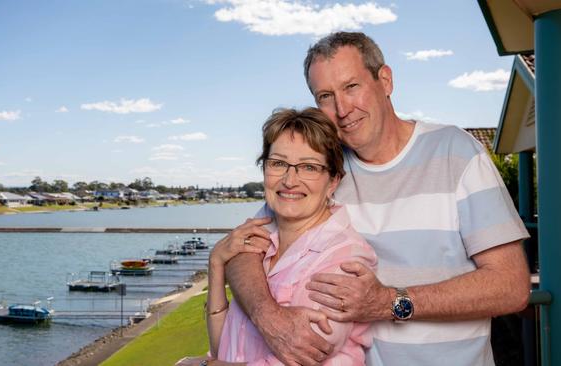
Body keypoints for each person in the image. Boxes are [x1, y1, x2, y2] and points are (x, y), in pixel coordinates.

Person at [224, 32, 531, 366]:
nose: (342, 109)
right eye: (326, 96)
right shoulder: (322, 170)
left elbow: (511, 286)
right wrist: (269, 317)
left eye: (351, 87)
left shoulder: (456, 151)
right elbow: (244, 248)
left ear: (385, 80)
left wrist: (388, 302)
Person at [177, 107, 377, 366]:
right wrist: (216, 264)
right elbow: (225, 346)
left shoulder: (344, 259)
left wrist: (202, 365)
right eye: (279, 163)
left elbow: (306, 355)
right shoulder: (258, 235)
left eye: (308, 167)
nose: (290, 180)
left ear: (333, 181)